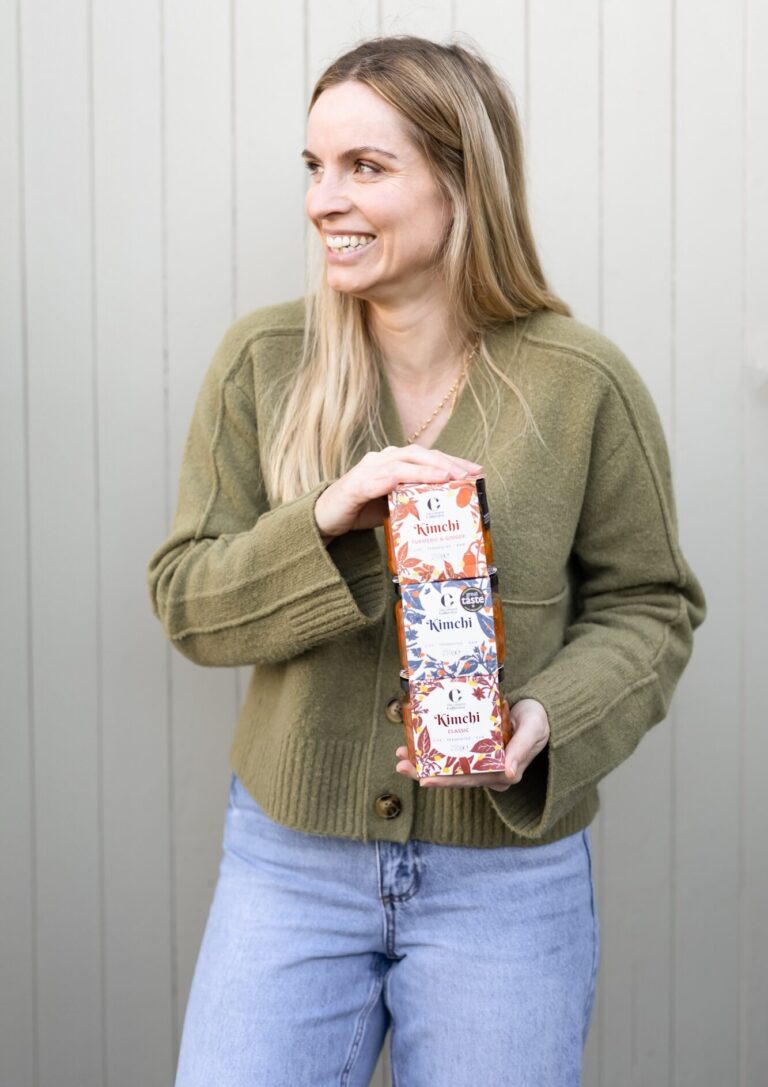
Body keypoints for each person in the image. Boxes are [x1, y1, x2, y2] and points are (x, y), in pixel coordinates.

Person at [147, 34, 707, 1087]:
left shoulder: (583, 382)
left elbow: (652, 605)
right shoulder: (264, 362)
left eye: (365, 166)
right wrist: (323, 523)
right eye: (315, 166)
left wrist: (549, 719)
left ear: (461, 183)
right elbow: (187, 598)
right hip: (289, 865)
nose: (323, 200)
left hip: (508, 880)